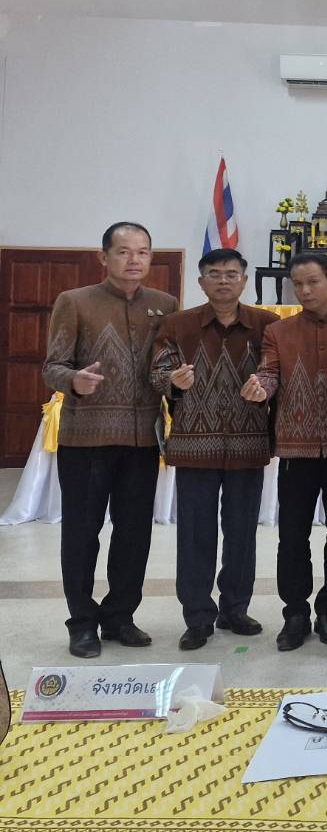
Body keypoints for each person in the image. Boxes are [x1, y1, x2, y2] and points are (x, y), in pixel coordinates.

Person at [42, 222, 178, 658]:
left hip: (142, 441)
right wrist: (73, 380)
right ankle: (81, 623)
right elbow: (52, 366)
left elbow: (168, 367)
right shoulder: (75, 301)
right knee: (82, 534)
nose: (134, 259)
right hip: (86, 440)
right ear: (104, 257)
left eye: (143, 252)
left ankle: (120, 615)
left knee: (135, 534)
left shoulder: (165, 305)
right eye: (123, 251)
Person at [242, 253, 327, 651]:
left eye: (313, 282)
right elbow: (269, 371)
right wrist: (260, 387)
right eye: (297, 284)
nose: (305, 290)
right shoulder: (279, 332)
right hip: (296, 451)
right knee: (292, 536)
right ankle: (294, 613)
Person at [150, 248, 275, 650]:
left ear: (244, 280)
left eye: (232, 274)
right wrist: (173, 380)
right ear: (201, 282)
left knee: (241, 534)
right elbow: (156, 373)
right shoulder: (178, 324)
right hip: (193, 447)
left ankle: (235, 609)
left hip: (247, 445)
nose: (223, 281)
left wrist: (266, 386)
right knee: (195, 535)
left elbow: (278, 372)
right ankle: (197, 617)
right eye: (214, 274)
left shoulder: (266, 324)